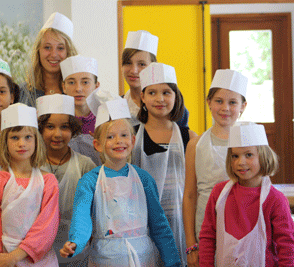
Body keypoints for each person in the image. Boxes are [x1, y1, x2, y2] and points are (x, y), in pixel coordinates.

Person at [60, 90, 181, 267]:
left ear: (132, 141)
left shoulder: (144, 179)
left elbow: (159, 225)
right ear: (98, 145)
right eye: (110, 137)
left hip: (143, 259)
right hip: (105, 260)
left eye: (124, 135)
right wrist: (75, 243)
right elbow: (82, 220)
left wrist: (173, 262)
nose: (119, 141)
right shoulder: (89, 182)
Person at [199, 122, 294, 266]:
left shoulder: (275, 200)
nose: (241, 162)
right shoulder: (219, 194)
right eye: (235, 156)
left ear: (263, 156)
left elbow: (286, 247)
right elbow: (207, 237)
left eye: (249, 155)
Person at [132, 62, 197, 266]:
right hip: (142, 222)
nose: (159, 99)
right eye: (152, 92)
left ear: (176, 96)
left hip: (181, 222)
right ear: (142, 97)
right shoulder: (131, 135)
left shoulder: (190, 137)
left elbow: (194, 188)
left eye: (166, 92)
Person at [0, 103, 59, 266]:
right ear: (5, 142)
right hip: (3, 258)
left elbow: (47, 226)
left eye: (28, 137)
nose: (21, 143)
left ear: (36, 140)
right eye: (15, 137)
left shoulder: (48, 181)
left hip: (39, 258)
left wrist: (16, 255)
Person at [182, 69, 248, 267]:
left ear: (243, 106)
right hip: (206, 229)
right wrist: (191, 244)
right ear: (208, 102)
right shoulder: (196, 144)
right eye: (219, 101)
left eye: (232, 102)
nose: (225, 108)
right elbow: (190, 195)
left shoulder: (249, 145)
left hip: (243, 227)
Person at [37, 94, 96, 266]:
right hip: (40, 252)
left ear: (73, 130)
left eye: (64, 127)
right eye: (50, 127)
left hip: (78, 252)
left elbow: (93, 211)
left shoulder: (85, 165)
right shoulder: (32, 166)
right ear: (40, 129)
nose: (57, 134)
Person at [122, 30, 189, 127]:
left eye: (142, 64)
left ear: (153, 66)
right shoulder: (117, 106)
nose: (134, 70)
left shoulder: (174, 108)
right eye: (128, 63)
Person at [20, 12, 78, 107]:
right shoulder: (22, 92)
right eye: (47, 47)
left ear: (69, 52)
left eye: (60, 48)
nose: (54, 54)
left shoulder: (78, 93)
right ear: (38, 51)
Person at [61, 55, 101, 165]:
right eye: (71, 82)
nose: (78, 89)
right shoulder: (58, 121)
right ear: (64, 87)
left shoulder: (106, 119)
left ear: (96, 86)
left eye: (85, 82)